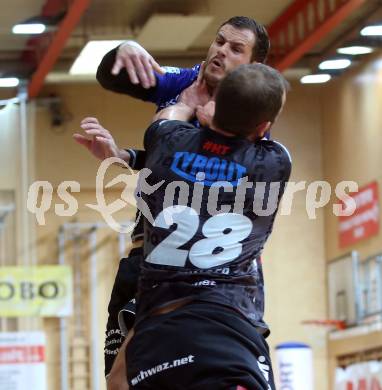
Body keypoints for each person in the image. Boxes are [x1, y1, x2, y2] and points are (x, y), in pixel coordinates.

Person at [75, 15, 272, 382]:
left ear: (253, 66)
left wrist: (175, 118)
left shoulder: (247, 114)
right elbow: (114, 76)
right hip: (148, 250)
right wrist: (124, 48)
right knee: (118, 379)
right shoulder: (187, 82)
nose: (221, 52)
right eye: (219, 41)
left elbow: (193, 164)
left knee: (140, 373)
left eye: (235, 49)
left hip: (203, 263)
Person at [124, 63, 291, 389]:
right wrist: (216, 120)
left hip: (156, 334)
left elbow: (174, 112)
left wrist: (194, 109)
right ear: (263, 127)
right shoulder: (274, 163)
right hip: (226, 328)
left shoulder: (166, 140)